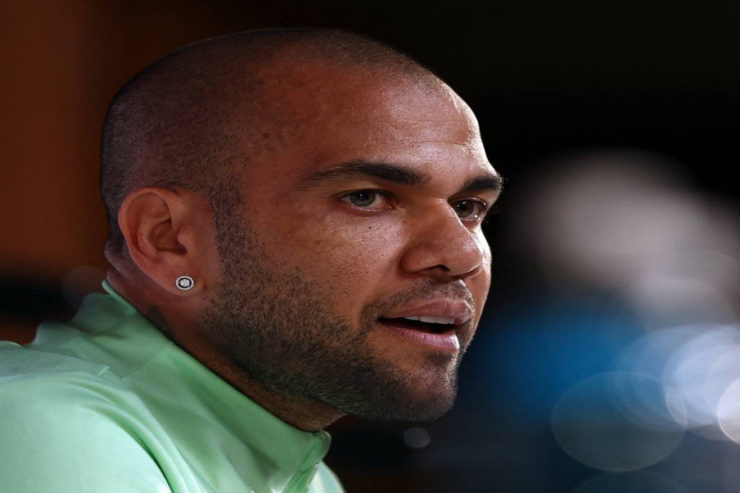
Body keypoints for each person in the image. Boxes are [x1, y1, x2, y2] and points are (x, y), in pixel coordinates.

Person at [0, 28, 502, 493]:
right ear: (169, 239)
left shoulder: (309, 475)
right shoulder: (52, 429)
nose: (462, 255)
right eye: (365, 198)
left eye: (467, 207)